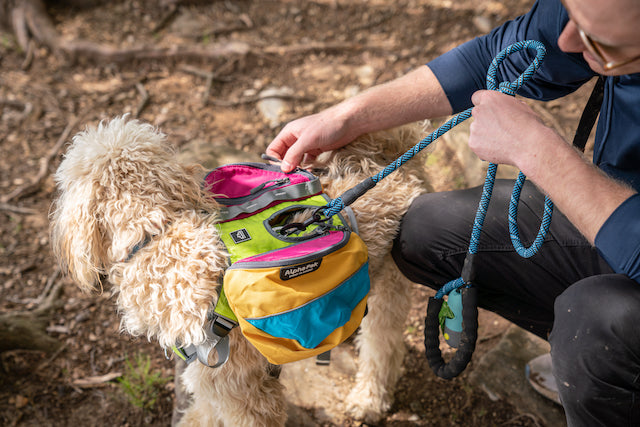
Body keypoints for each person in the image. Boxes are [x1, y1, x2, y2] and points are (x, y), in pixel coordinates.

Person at [266, 0, 640, 425]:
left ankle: (607, 368)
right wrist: (346, 117)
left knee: (594, 318)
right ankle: (604, 370)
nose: (567, 39)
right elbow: (496, 56)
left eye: (596, 39)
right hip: (615, 212)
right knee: (423, 232)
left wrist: (537, 151)